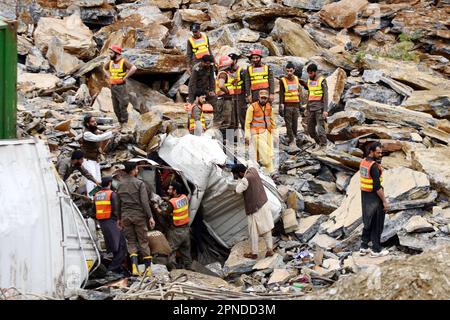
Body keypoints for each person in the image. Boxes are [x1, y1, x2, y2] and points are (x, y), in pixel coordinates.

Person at [117, 162, 156, 275]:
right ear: (133, 170)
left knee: (131, 242)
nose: (137, 171)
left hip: (125, 216)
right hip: (139, 216)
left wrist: (119, 218)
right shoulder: (139, 183)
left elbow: (118, 203)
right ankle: (148, 269)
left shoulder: (120, 184)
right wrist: (150, 216)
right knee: (143, 241)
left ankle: (134, 268)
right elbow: (144, 202)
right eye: (136, 169)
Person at [232, 164, 274, 260]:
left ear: (240, 173)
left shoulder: (245, 179)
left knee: (253, 231)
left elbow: (238, 190)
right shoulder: (253, 170)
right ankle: (270, 249)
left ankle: (254, 253)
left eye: (237, 175)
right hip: (264, 203)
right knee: (266, 228)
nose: (238, 177)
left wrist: (238, 183)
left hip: (255, 208)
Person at [359, 142, 390, 258]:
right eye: (378, 152)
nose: (380, 154)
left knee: (368, 221)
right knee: (377, 224)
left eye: (381, 152)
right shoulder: (374, 166)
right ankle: (376, 250)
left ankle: (364, 246)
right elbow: (377, 187)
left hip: (365, 197)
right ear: (371, 152)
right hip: (375, 198)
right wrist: (384, 202)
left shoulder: (363, 162)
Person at [93, 176, 127, 274]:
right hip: (112, 221)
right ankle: (112, 269)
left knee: (114, 245)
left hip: (102, 222)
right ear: (110, 183)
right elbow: (116, 210)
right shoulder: (112, 194)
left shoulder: (97, 195)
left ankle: (116, 268)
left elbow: (93, 210)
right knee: (119, 247)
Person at [156, 181, 192, 270]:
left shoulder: (172, 202)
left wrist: (156, 208)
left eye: (170, 189)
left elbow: (165, 214)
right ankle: (189, 267)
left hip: (176, 231)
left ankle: (173, 269)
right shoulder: (184, 197)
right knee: (186, 250)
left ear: (175, 191)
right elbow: (177, 203)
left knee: (171, 250)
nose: (168, 190)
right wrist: (167, 199)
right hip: (186, 229)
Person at [81, 115, 118, 198]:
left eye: (95, 121)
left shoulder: (93, 131)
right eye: (92, 122)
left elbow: (99, 135)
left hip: (95, 160)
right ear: (87, 124)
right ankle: (91, 198)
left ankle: (97, 197)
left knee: (98, 180)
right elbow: (98, 138)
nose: (95, 123)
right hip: (88, 160)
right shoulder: (87, 134)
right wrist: (111, 132)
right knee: (91, 180)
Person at [103, 45, 137, 127]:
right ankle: (120, 123)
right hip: (113, 86)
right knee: (115, 106)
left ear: (117, 53)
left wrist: (125, 77)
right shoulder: (110, 62)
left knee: (123, 104)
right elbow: (104, 68)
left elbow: (134, 68)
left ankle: (124, 123)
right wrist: (108, 76)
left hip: (121, 86)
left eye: (111, 53)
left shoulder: (123, 61)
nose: (110, 54)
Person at [244, 90, 276, 174]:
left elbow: (273, 122)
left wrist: (275, 134)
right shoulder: (252, 107)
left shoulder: (269, 107)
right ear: (258, 98)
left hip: (267, 133)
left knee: (266, 154)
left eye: (265, 98)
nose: (263, 100)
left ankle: (265, 171)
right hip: (256, 134)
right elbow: (247, 123)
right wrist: (247, 135)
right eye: (262, 98)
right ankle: (272, 173)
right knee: (266, 153)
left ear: (267, 99)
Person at [300, 63, 329, 150]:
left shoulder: (322, 80)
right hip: (311, 108)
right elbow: (310, 95)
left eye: (311, 73)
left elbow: (326, 96)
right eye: (308, 73)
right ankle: (318, 143)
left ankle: (324, 146)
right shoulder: (309, 81)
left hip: (319, 108)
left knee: (320, 129)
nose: (309, 75)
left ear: (315, 72)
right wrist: (306, 108)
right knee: (310, 130)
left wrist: (325, 110)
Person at [279, 62, 302, 149]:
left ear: (294, 70)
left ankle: (295, 136)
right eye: (287, 71)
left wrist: (300, 105)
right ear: (285, 70)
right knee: (288, 123)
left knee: (295, 122)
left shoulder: (296, 79)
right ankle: (291, 140)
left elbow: (299, 92)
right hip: (287, 105)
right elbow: (281, 93)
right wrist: (281, 105)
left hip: (296, 104)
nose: (289, 73)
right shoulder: (283, 80)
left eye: (291, 71)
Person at [215, 55, 235, 134]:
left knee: (229, 122)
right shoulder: (223, 74)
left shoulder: (224, 73)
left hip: (226, 99)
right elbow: (221, 85)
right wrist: (227, 91)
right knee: (226, 122)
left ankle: (228, 141)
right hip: (224, 100)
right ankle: (223, 142)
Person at [228, 53, 247, 131]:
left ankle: (246, 136)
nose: (229, 62)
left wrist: (247, 95)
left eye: (231, 60)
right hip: (229, 97)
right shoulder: (225, 72)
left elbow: (246, 84)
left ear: (235, 61)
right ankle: (231, 139)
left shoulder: (242, 71)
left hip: (240, 96)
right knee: (230, 117)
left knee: (242, 115)